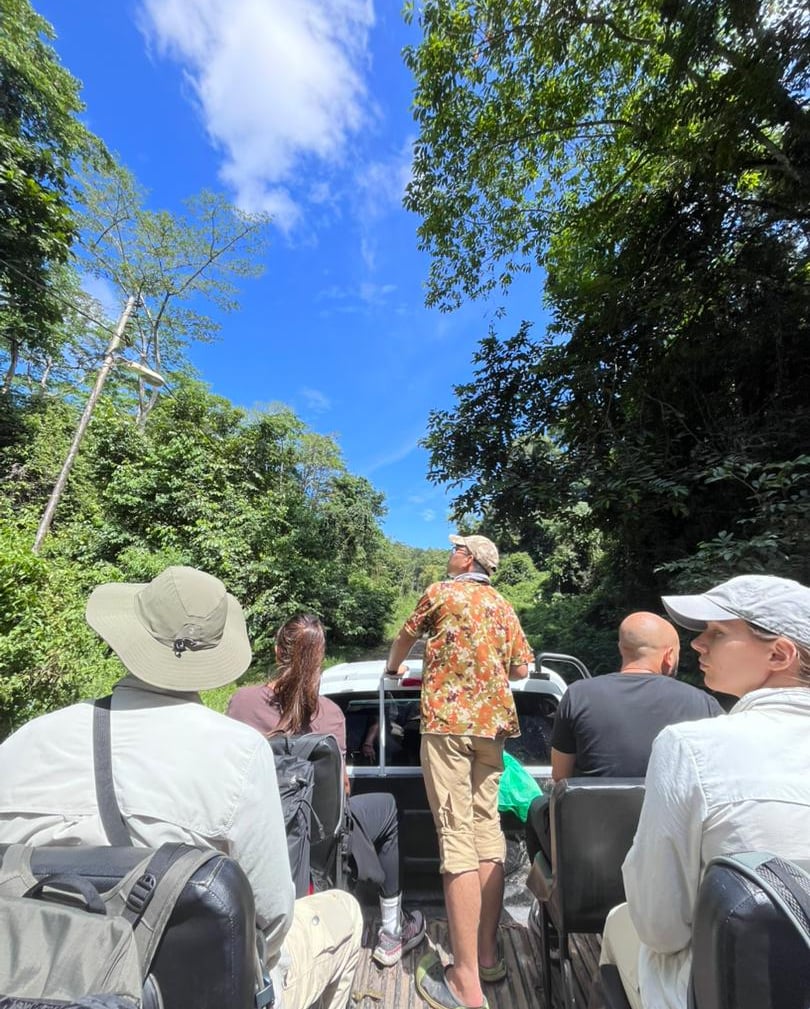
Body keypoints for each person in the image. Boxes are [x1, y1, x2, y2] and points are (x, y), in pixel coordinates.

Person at [0, 566, 362, 1009]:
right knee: (347, 914)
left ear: (130, 636)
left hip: (41, 985)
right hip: (191, 993)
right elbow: (271, 917)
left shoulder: (27, 740)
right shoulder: (241, 754)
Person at [598, 575, 810, 1009]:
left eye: (717, 633)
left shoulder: (691, 746)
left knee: (620, 922)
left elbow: (661, 928)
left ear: (779, 653)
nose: (697, 644)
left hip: (732, 991)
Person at [227, 613, 426, 968]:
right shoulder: (330, 714)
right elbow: (339, 791)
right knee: (388, 807)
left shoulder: (241, 703)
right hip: (319, 840)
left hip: (255, 829)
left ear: (277, 651)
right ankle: (392, 929)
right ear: (319, 659)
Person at [386, 534, 534, 1009]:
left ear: (467, 558)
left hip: (448, 726)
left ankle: (466, 979)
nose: (448, 554)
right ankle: (488, 955)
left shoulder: (441, 592)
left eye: (455, 548)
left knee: (455, 837)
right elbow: (519, 670)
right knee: (485, 829)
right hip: (493, 729)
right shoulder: (502, 604)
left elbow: (406, 635)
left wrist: (395, 669)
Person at [526, 611, 723, 864]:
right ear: (669, 655)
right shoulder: (704, 704)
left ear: (622, 648)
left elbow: (560, 776)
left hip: (592, 847)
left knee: (536, 807)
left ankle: (554, 896)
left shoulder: (577, 695)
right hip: (673, 845)